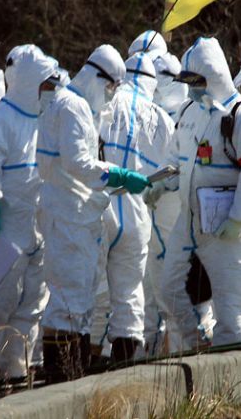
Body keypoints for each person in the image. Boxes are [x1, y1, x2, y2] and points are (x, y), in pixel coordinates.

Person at [36, 44, 151, 383]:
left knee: (80, 294)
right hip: (68, 213)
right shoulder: (71, 106)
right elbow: (77, 163)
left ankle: (74, 369)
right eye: (111, 87)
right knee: (69, 296)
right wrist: (118, 174)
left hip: (77, 213)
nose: (112, 94)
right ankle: (61, 374)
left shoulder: (75, 105)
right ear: (98, 78)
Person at [147, 36, 241, 349]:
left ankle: (233, 370)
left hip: (231, 230)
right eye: (186, 82)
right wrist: (159, 182)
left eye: (195, 81)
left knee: (231, 310)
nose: (190, 88)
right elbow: (175, 159)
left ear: (212, 76)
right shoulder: (189, 112)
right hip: (190, 222)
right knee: (170, 290)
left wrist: (239, 219)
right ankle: (196, 344)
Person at [0, 45, 54, 386]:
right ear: (29, 79)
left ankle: (17, 368)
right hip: (6, 226)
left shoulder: (46, 117)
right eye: (44, 80)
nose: (50, 87)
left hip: (39, 224)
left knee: (32, 303)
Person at [97, 51, 175, 362]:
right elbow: (173, 172)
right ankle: (125, 361)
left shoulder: (106, 103)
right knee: (130, 289)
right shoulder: (162, 117)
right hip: (137, 211)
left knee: (95, 287)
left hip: (101, 204)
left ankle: (85, 361)